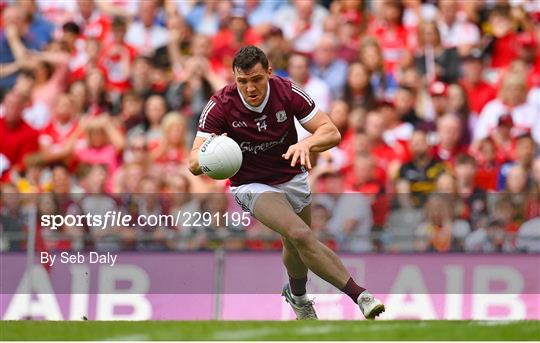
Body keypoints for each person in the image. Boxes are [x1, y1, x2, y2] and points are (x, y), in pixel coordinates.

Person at [188, 46, 384, 320]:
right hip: (251, 184)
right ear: (235, 78)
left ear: (269, 72)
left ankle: (297, 295)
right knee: (300, 234)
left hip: (292, 175)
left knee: (293, 243)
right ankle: (360, 295)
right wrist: (209, 158)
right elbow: (193, 161)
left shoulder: (287, 91)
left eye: (256, 79)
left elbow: (331, 131)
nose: (250, 88)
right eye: (242, 81)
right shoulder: (221, 104)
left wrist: (307, 143)